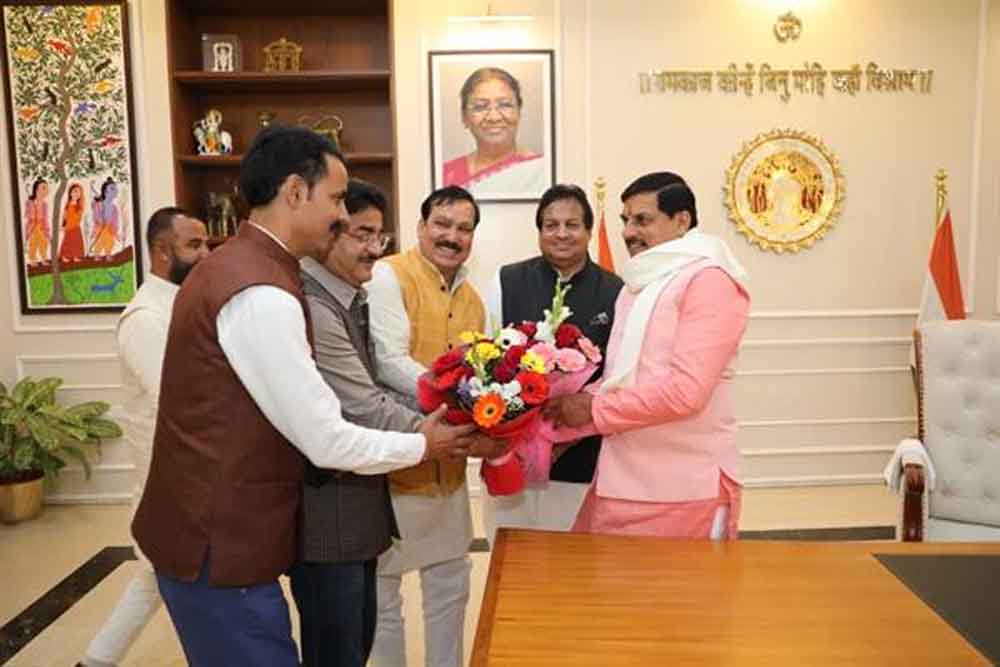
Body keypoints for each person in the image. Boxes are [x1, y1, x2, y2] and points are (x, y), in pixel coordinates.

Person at [130, 126, 474, 667]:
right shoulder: (260, 292)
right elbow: (325, 439)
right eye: (335, 199)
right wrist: (424, 445)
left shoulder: (244, 265)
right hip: (218, 546)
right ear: (295, 191)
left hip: (225, 540)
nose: (341, 215)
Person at [542, 172, 750, 540]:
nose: (628, 232)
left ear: (681, 220)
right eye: (625, 220)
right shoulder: (639, 285)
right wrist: (551, 424)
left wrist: (592, 410)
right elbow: (623, 382)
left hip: (685, 490)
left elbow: (686, 393)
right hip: (618, 481)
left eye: (643, 220)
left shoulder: (709, 282)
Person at [77, 207, 210, 667]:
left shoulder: (183, 304)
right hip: (165, 481)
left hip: (189, 475)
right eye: (194, 245)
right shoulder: (145, 319)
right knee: (166, 578)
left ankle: (95, 661)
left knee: (155, 579)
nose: (205, 254)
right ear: (162, 251)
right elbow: (179, 398)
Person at [366, 185, 489, 667]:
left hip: (449, 467)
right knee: (384, 597)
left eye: (463, 228)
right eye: (442, 224)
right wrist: (453, 399)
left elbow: (481, 372)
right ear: (420, 227)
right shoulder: (388, 275)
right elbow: (387, 358)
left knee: (449, 589)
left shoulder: (474, 300)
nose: (451, 236)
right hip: (396, 461)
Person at [482, 184, 622, 540]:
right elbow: (486, 361)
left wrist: (566, 431)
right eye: (551, 225)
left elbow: (619, 374)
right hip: (511, 452)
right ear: (539, 230)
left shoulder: (616, 291)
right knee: (509, 553)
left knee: (571, 559)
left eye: (572, 225)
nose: (561, 234)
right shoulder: (506, 281)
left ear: (588, 230)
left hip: (581, 454)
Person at [442, 67, 545, 197]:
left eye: (504, 105)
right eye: (480, 107)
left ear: (519, 112)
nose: (494, 117)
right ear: (464, 117)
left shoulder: (541, 169)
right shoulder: (447, 175)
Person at [24, 178, 50, 266]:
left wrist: (46, 230)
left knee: (44, 242)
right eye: (43, 188)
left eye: (46, 188)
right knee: (33, 243)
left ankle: (43, 258)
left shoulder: (45, 204)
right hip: (33, 226)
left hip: (41, 226)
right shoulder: (30, 202)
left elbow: (45, 218)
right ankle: (32, 259)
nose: (46, 191)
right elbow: (29, 217)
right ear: (36, 190)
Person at [91, 178, 119, 260]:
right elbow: (95, 215)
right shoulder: (99, 205)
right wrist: (100, 221)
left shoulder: (114, 207)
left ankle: (108, 254)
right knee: (99, 241)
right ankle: (97, 255)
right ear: (105, 191)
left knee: (110, 241)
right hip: (101, 226)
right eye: (112, 189)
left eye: (115, 189)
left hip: (109, 227)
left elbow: (115, 220)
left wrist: (114, 229)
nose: (115, 191)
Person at [59, 183, 87, 263]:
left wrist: (68, 226)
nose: (77, 194)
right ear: (70, 193)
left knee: (76, 243)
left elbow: (77, 219)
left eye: (79, 192)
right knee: (68, 242)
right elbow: (65, 216)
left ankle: (76, 256)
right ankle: (66, 256)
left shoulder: (79, 206)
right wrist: (63, 225)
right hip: (68, 228)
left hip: (75, 228)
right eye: (75, 191)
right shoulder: (67, 205)